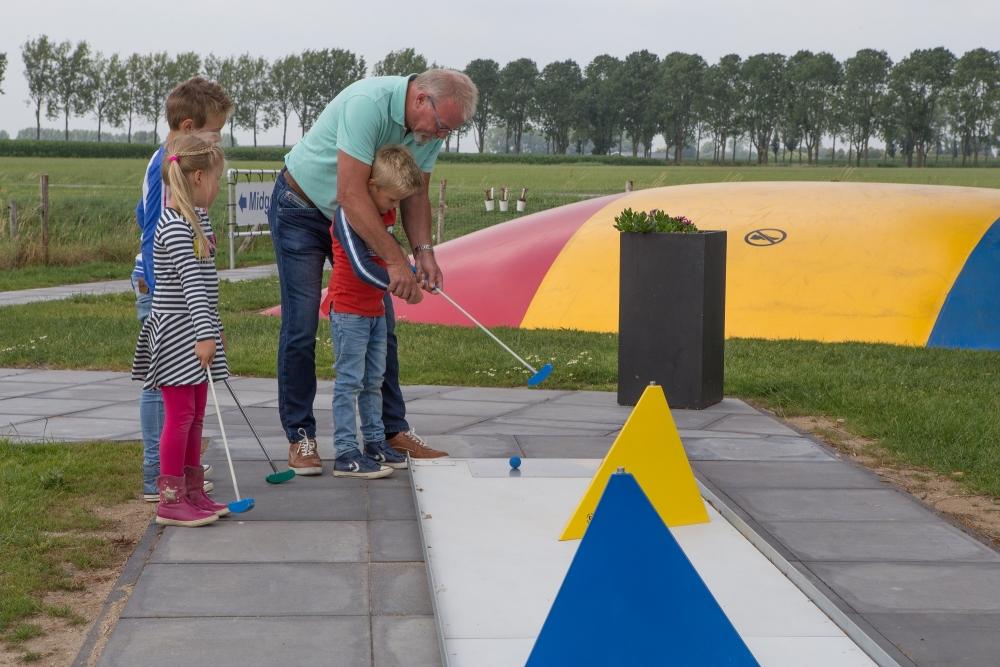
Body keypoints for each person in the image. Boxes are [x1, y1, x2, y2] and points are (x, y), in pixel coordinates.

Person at [267, 68, 478, 474]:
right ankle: (301, 436)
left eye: (448, 131)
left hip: (357, 216)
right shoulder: (368, 105)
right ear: (420, 100)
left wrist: (424, 252)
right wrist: (396, 261)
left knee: (381, 320)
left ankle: (389, 431)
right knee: (301, 323)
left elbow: (416, 193)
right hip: (304, 208)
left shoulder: (426, 132)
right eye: (441, 126)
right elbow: (349, 194)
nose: (440, 136)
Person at [133, 77, 233, 502]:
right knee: (165, 396)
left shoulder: (178, 175)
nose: (219, 139)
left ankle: (179, 477)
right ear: (189, 125)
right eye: (215, 132)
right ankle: (160, 477)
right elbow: (156, 230)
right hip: (166, 300)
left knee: (185, 407)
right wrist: (162, 297)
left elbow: (140, 216)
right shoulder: (165, 170)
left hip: (181, 305)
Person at [324, 145, 424, 478]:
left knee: (373, 381)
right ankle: (345, 452)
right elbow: (363, 267)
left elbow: (390, 257)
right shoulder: (348, 217)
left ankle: (375, 442)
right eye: (392, 200)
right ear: (372, 187)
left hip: (375, 311)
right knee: (349, 382)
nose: (394, 207)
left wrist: (413, 272)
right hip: (350, 311)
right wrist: (401, 284)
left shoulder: (385, 216)